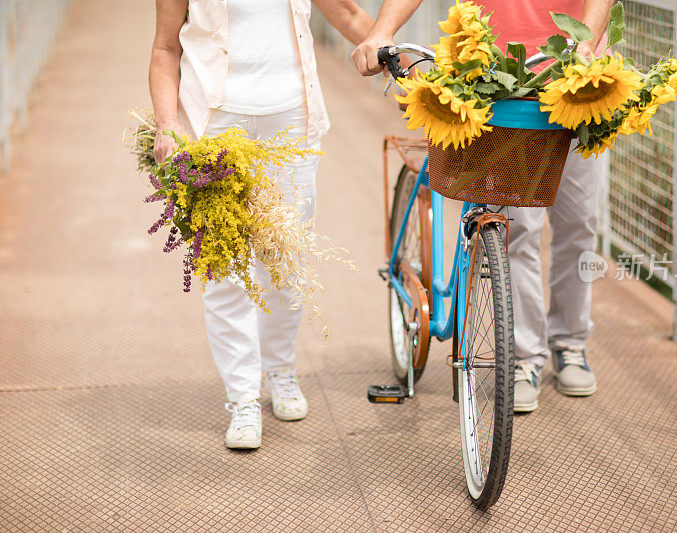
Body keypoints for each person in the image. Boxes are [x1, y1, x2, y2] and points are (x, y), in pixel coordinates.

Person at [352, 0, 612, 412]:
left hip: (577, 80)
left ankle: (570, 343)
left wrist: (586, 43)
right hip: (493, 79)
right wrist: (382, 31)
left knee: (579, 224)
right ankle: (524, 358)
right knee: (517, 227)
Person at [150, 0, 373, 449]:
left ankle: (280, 367)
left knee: (285, 260)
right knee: (224, 268)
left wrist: (398, 56)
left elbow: (348, 14)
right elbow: (165, 48)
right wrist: (166, 124)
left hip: (291, 121)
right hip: (214, 124)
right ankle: (243, 396)